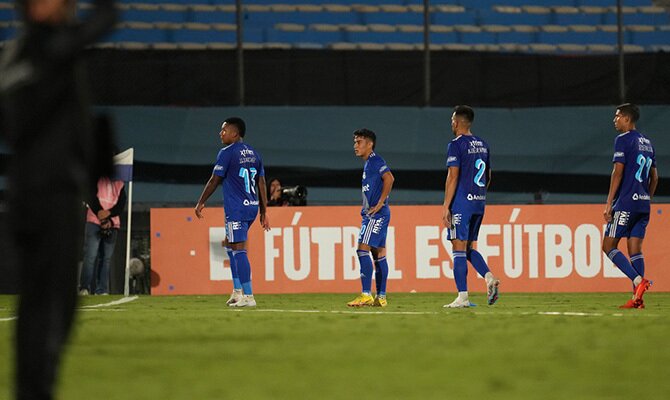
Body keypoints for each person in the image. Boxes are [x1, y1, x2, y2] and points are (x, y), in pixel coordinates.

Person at [0, 1, 117, 399]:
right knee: (55, 304)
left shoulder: (15, 54)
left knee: (42, 301)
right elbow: (106, 18)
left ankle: (33, 388)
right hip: (48, 193)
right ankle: (35, 389)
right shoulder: (48, 47)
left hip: (30, 190)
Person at [195, 117, 270, 307]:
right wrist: (263, 211)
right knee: (231, 244)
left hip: (236, 208)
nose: (220, 133)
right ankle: (237, 292)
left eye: (224, 130)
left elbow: (214, 180)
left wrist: (201, 202)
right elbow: (261, 182)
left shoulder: (227, 152)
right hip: (252, 206)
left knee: (239, 250)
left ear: (235, 134)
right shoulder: (255, 153)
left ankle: (249, 296)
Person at [442, 105, 500, 308]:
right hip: (479, 202)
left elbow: (453, 176)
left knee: (458, 248)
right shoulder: (483, 144)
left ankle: (462, 297)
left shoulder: (455, 145)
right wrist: (479, 195)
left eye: (452, 120)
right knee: (468, 248)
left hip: (462, 203)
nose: (451, 124)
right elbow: (489, 176)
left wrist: (446, 206)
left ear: (457, 122)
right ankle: (489, 277)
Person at [602, 103, 657, 309]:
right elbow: (655, 177)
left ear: (626, 118)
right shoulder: (648, 143)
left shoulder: (623, 140)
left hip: (626, 203)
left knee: (608, 246)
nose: (614, 120)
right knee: (635, 249)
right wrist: (646, 198)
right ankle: (638, 299)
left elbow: (618, 172)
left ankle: (638, 281)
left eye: (617, 116)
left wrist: (609, 203)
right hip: (643, 205)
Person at [347, 128, 394, 307]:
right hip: (377, 214)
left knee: (362, 249)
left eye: (359, 142)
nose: (355, 146)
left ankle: (366, 294)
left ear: (370, 144)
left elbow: (389, 178)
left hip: (376, 215)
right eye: (355, 142)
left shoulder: (375, 161)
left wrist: (381, 202)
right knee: (379, 254)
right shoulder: (369, 164)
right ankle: (381, 297)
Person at [79, 176, 127, 295]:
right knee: (90, 256)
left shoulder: (120, 184)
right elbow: (90, 197)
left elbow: (121, 205)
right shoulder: (96, 179)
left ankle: (102, 290)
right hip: (94, 221)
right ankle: (84, 288)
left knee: (106, 259)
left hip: (112, 224)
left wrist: (108, 216)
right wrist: (101, 214)